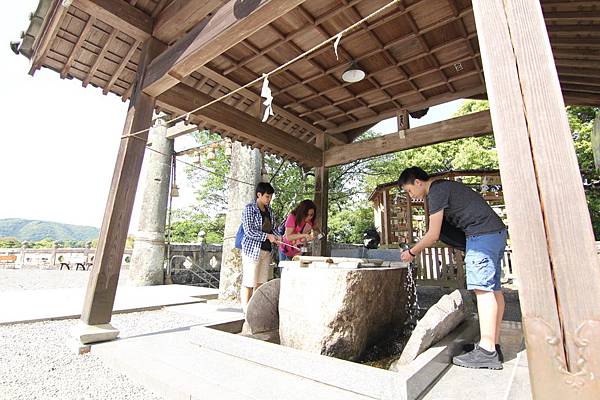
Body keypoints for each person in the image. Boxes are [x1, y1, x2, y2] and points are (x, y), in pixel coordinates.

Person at [398, 167, 507, 370]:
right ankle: (493, 344)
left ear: (418, 182)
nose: (411, 195)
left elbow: (433, 234)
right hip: (494, 233)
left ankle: (487, 351)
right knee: (493, 289)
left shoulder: (436, 192)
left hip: (481, 235)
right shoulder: (445, 187)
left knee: (483, 291)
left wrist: (412, 252)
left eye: (409, 191)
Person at [240, 182, 280, 313]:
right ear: (259, 195)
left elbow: (274, 229)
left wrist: (277, 238)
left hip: (266, 251)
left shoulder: (270, 211)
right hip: (252, 251)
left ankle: (255, 309)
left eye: (270, 197)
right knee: (249, 282)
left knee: (261, 282)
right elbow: (248, 231)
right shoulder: (249, 209)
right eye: (267, 196)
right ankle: (246, 310)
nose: (269, 199)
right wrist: (267, 236)